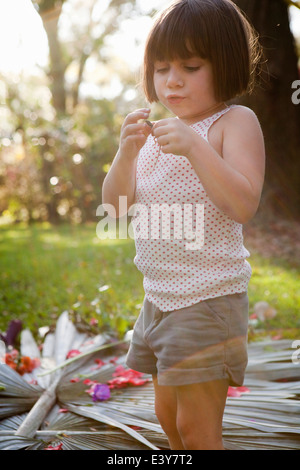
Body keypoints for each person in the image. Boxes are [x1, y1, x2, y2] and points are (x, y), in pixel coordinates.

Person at [102, 0, 265, 450]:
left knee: (196, 430)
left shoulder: (233, 123)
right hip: (158, 299)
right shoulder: (156, 135)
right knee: (168, 420)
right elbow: (115, 209)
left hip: (207, 300)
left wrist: (196, 148)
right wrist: (125, 153)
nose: (172, 80)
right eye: (161, 68)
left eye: (190, 66)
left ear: (226, 64)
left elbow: (243, 203)